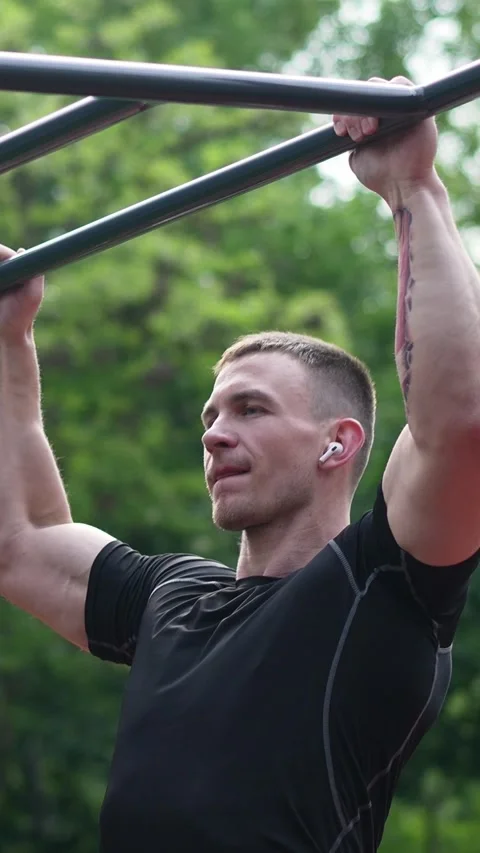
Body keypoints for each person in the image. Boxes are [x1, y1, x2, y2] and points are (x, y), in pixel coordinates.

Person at [0, 75, 479, 853]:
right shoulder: (170, 597)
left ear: (338, 442)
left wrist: (411, 186)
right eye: (211, 415)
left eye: (251, 409)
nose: (215, 433)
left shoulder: (381, 587)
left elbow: (461, 424)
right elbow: (18, 537)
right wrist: (9, 342)